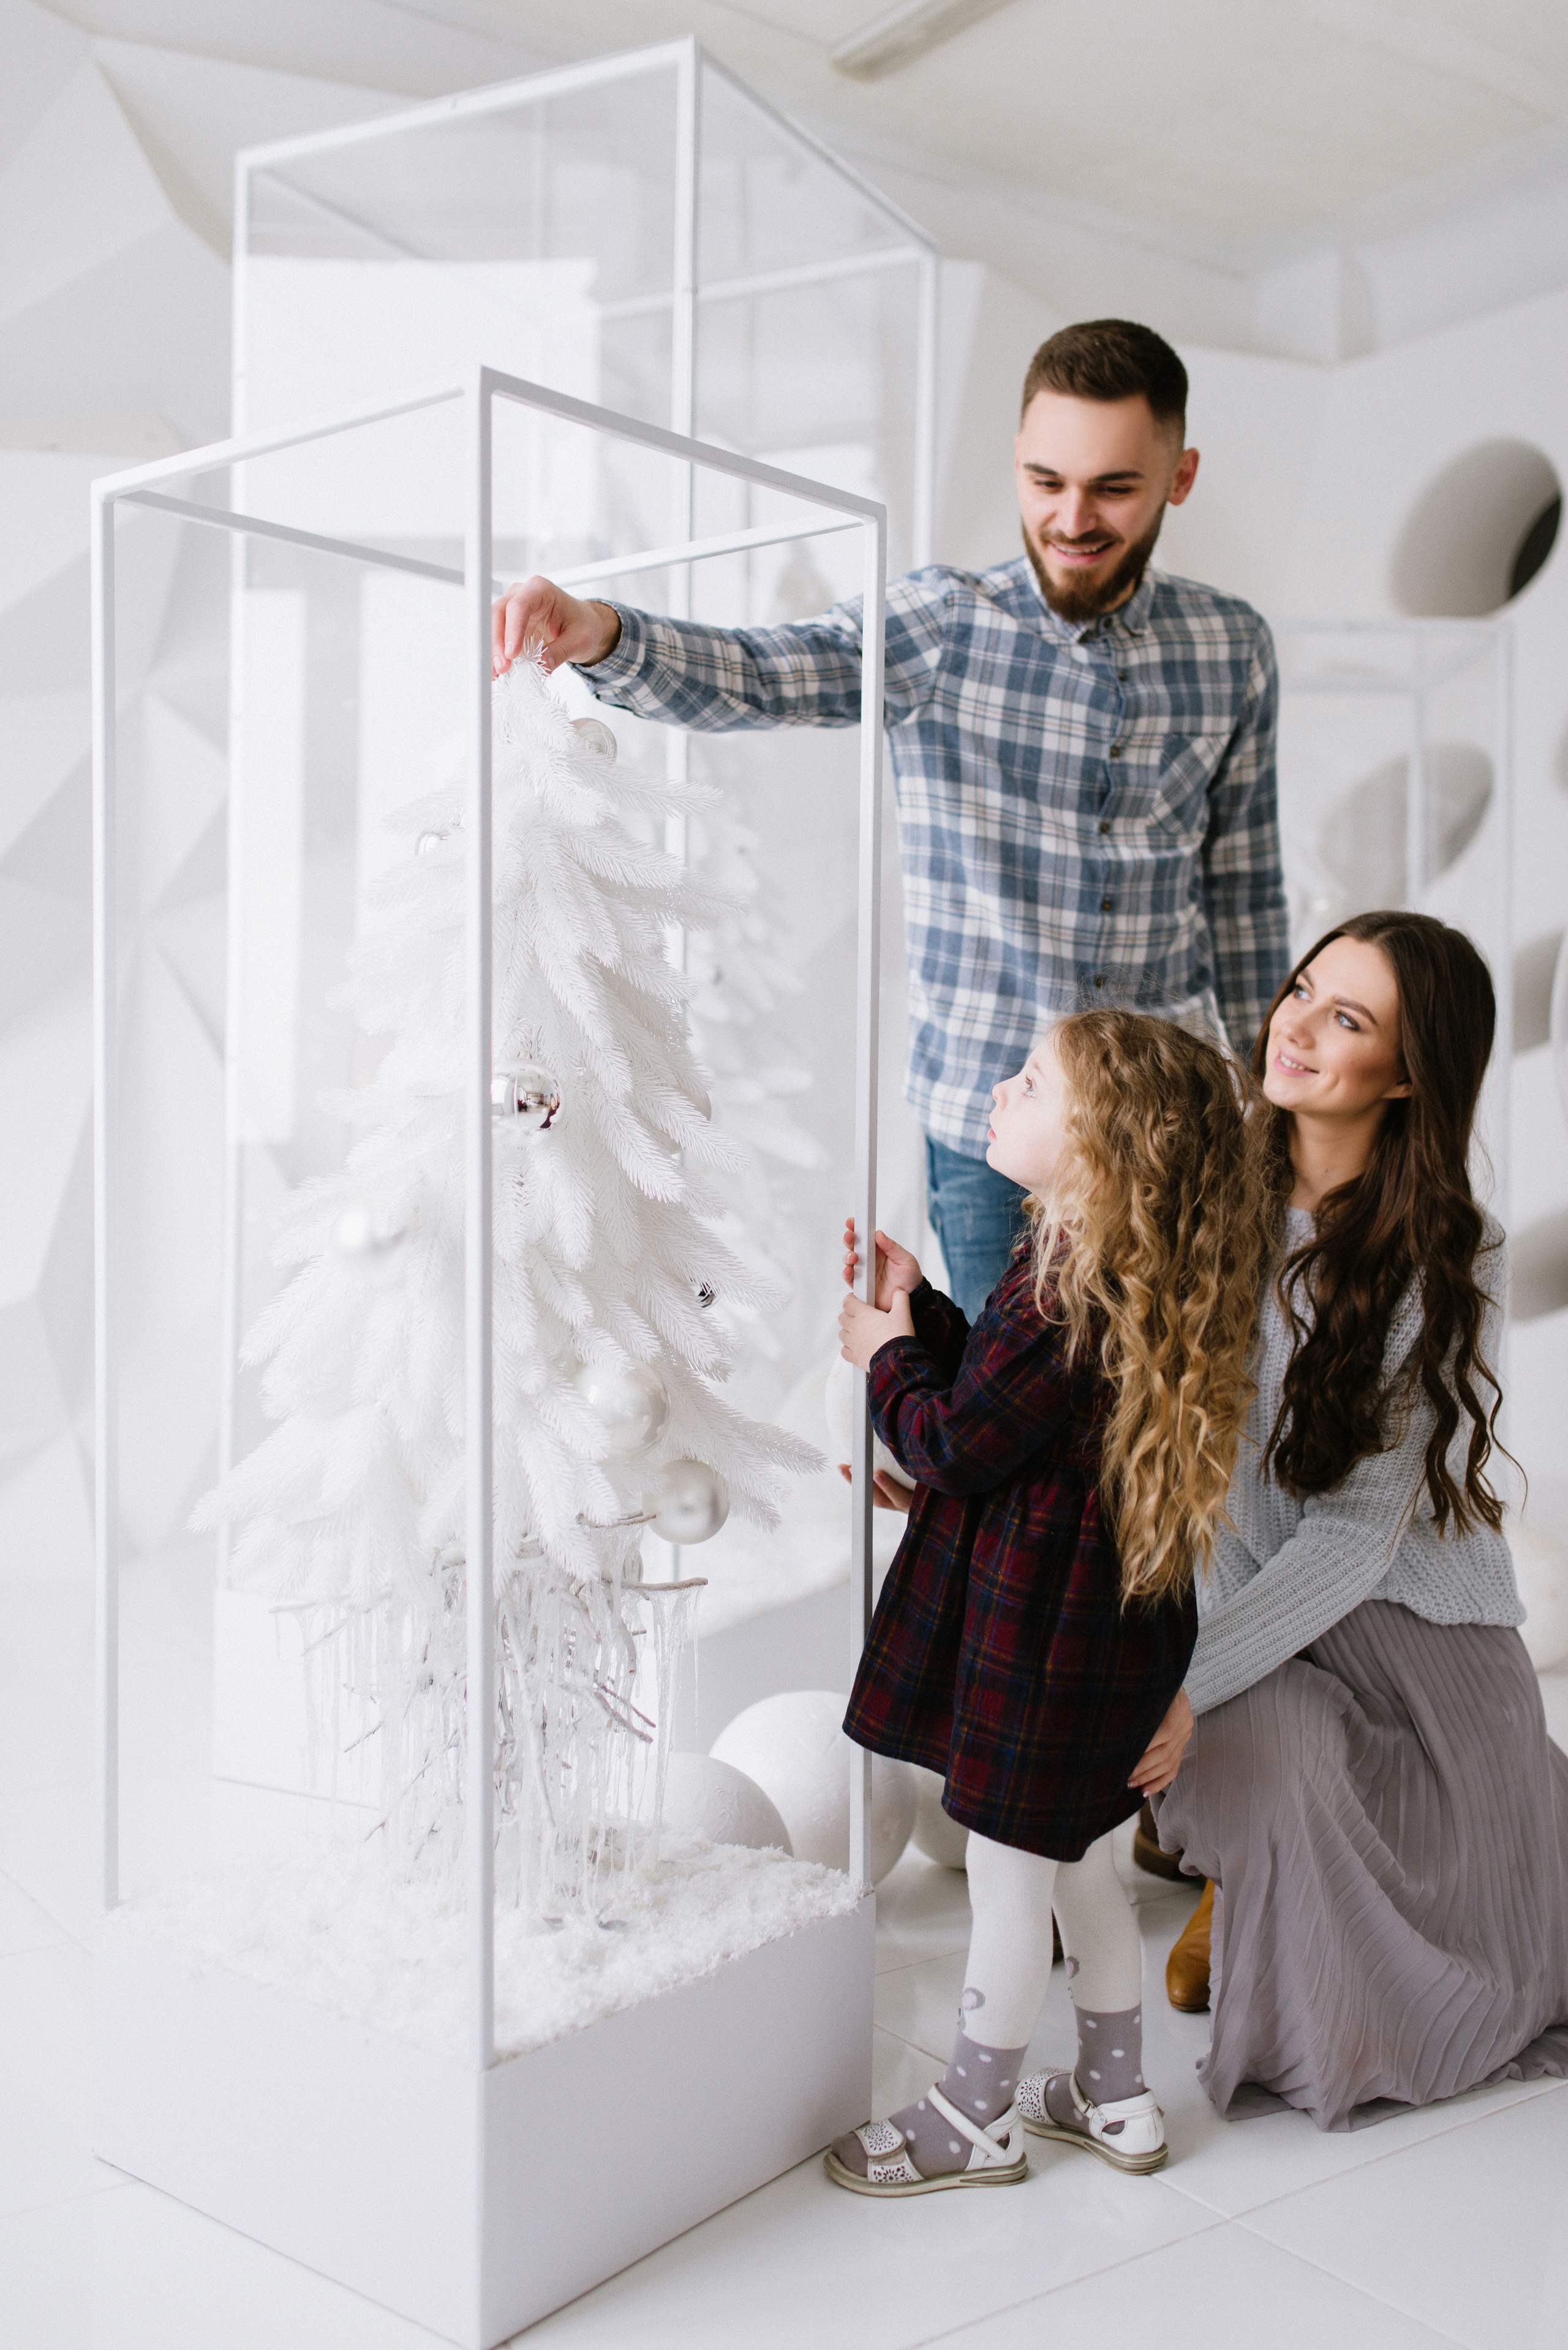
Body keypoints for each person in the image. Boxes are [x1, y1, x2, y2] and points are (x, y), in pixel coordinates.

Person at [492, 319, 1290, 1318]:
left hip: (1173, 1123)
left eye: (1114, 488)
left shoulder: (1233, 647)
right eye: (1046, 481)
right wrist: (604, 632)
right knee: (1014, 1427)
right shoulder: (945, 625)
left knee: (1172, 1413)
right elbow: (766, 672)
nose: (1073, 516)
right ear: (1016, 463)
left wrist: (1281, 1103)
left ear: (1179, 476)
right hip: (993, 1128)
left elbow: (1245, 894)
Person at [822, 1010, 1271, 2193]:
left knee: (1011, 1877)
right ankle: (1115, 2093)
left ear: (1105, 1145)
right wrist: (922, 1312)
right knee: (1084, 1866)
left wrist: (881, 1353)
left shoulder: (1064, 1285)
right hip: (1113, 1638)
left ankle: (974, 2117)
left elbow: (959, 1443)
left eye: (1030, 1081)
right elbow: (1015, 1402)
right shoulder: (1107, 1267)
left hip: (1042, 1637)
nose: (999, 1091)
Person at [1134, 911, 1568, 2129]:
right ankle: (1262, 1871)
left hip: (1407, 1635)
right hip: (1250, 1612)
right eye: (1302, 990)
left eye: (1347, 1019)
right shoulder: (1199, 1192)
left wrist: (1185, 1683)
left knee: (1425, 1846)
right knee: (1256, 1756)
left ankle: (1277, 1886)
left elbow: (1353, 1540)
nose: (1296, 1027)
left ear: (1407, 1071)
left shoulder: (1446, 1255)